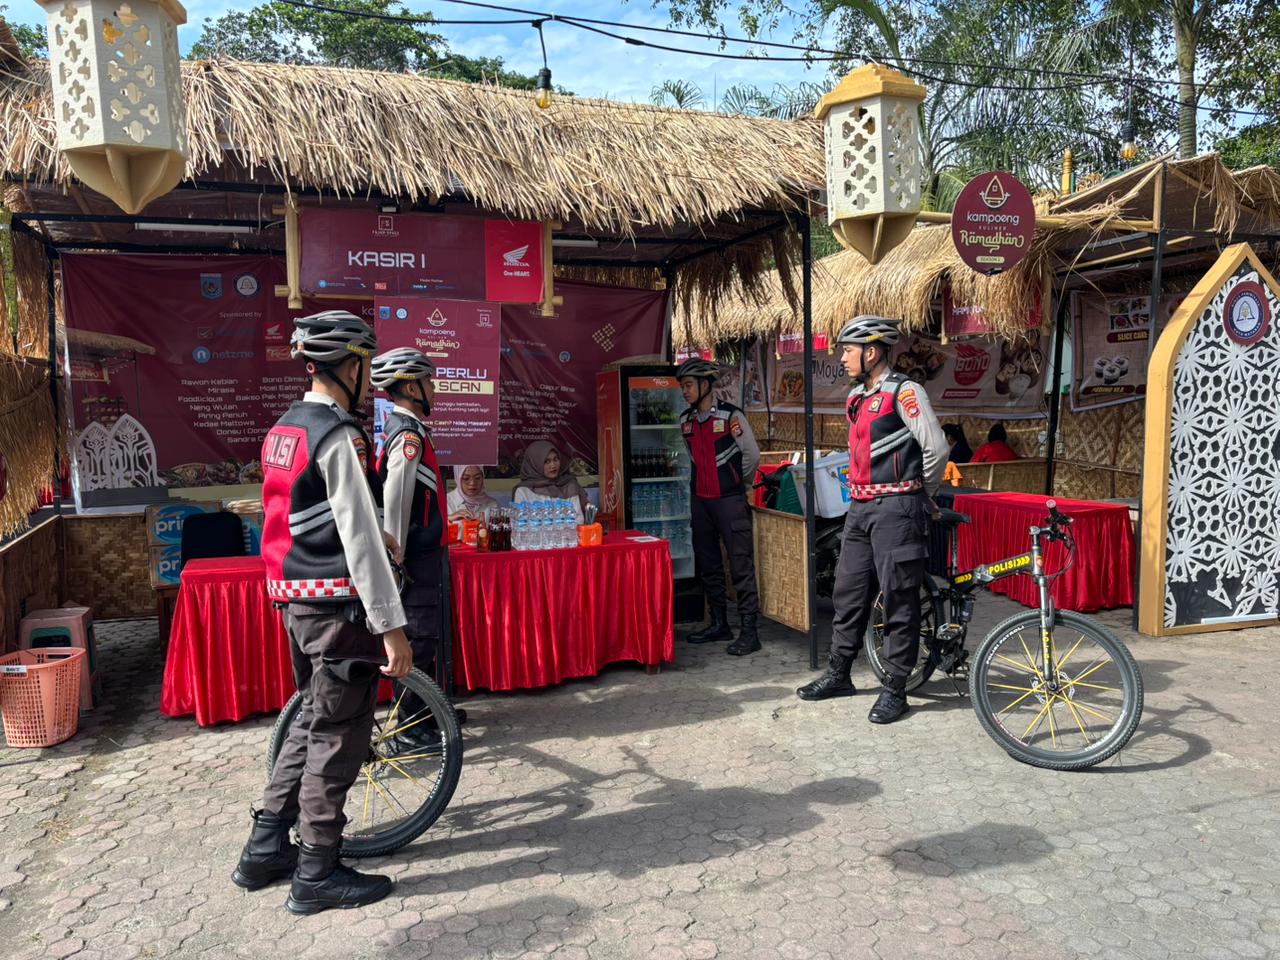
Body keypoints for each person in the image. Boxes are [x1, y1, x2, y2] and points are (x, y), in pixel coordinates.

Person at [234, 310, 411, 914]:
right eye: (366, 366)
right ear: (352, 367)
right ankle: (316, 872)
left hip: (295, 603)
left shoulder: (284, 428)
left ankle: (264, 849)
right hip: (338, 609)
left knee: (311, 720)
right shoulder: (339, 435)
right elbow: (357, 537)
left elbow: (308, 515)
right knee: (338, 735)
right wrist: (392, 627)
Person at [796, 315, 947, 724]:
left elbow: (936, 448)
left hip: (897, 508)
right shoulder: (856, 398)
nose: (842, 358)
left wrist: (922, 493)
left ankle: (896, 688)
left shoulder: (905, 391)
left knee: (899, 598)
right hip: (859, 508)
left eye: (848, 350)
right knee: (847, 593)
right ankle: (839, 673)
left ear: (872, 352)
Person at [372, 347, 450, 753]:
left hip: (424, 554)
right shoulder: (408, 435)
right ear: (411, 388)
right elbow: (397, 498)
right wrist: (396, 556)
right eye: (429, 382)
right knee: (418, 640)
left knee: (427, 638)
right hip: (415, 558)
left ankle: (427, 713)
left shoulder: (411, 429)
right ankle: (408, 727)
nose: (434, 389)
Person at [676, 357, 763, 656]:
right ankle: (719, 623)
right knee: (709, 564)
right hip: (701, 502)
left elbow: (752, 455)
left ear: (705, 384)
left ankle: (750, 632)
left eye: (689, 385)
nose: (684, 391)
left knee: (740, 565)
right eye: (682, 386)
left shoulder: (730, 416)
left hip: (729, 502)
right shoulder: (685, 421)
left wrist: (738, 484)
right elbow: (692, 456)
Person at [513, 440, 588, 523]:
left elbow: (579, 519)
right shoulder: (523, 491)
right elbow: (519, 522)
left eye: (555, 459)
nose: (553, 465)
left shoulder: (569, 485)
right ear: (534, 464)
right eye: (547, 461)